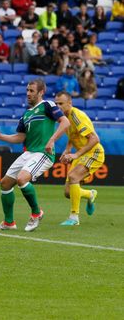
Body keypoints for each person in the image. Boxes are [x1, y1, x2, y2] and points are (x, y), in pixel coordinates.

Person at [0, 80, 70, 232]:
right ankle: (9, 223)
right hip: (29, 153)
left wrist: (52, 140)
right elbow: (20, 137)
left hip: (43, 153)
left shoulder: (48, 105)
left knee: (22, 179)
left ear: (41, 92)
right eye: (27, 90)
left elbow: (65, 123)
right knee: (5, 184)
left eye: (31, 91)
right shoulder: (26, 114)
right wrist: (0, 136)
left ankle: (36, 213)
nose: (28, 93)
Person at [54, 92, 103, 226]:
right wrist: (68, 149)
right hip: (82, 154)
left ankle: (74, 217)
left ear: (70, 103)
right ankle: (89, 194)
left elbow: (95, 139)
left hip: (94, 152)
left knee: (74, 176)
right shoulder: (65, 118)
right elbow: (73, 134)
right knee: (68, 192)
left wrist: (75, 155)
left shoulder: (76, 116)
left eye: (61, 103)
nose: (58, 106)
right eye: (56, 103)